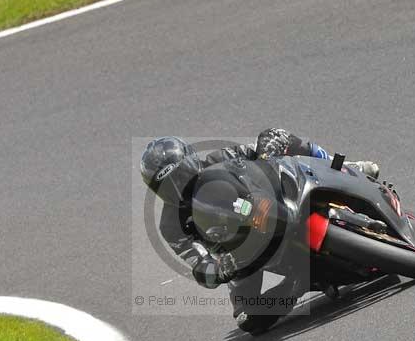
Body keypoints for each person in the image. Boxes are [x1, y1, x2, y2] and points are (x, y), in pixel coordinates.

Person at [140, 128, 379, 322]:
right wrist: (218, 270)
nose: (177, 187)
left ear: (191, 160)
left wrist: (267, 150)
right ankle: (298, 285)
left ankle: (347, 168)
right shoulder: (171, 227)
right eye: (165, 186)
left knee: (276, 134)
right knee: (249, 317)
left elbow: (255, 151)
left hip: (274, 204)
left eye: (179, 175)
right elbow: (198, 263)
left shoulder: (219, 159)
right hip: (241, 255)